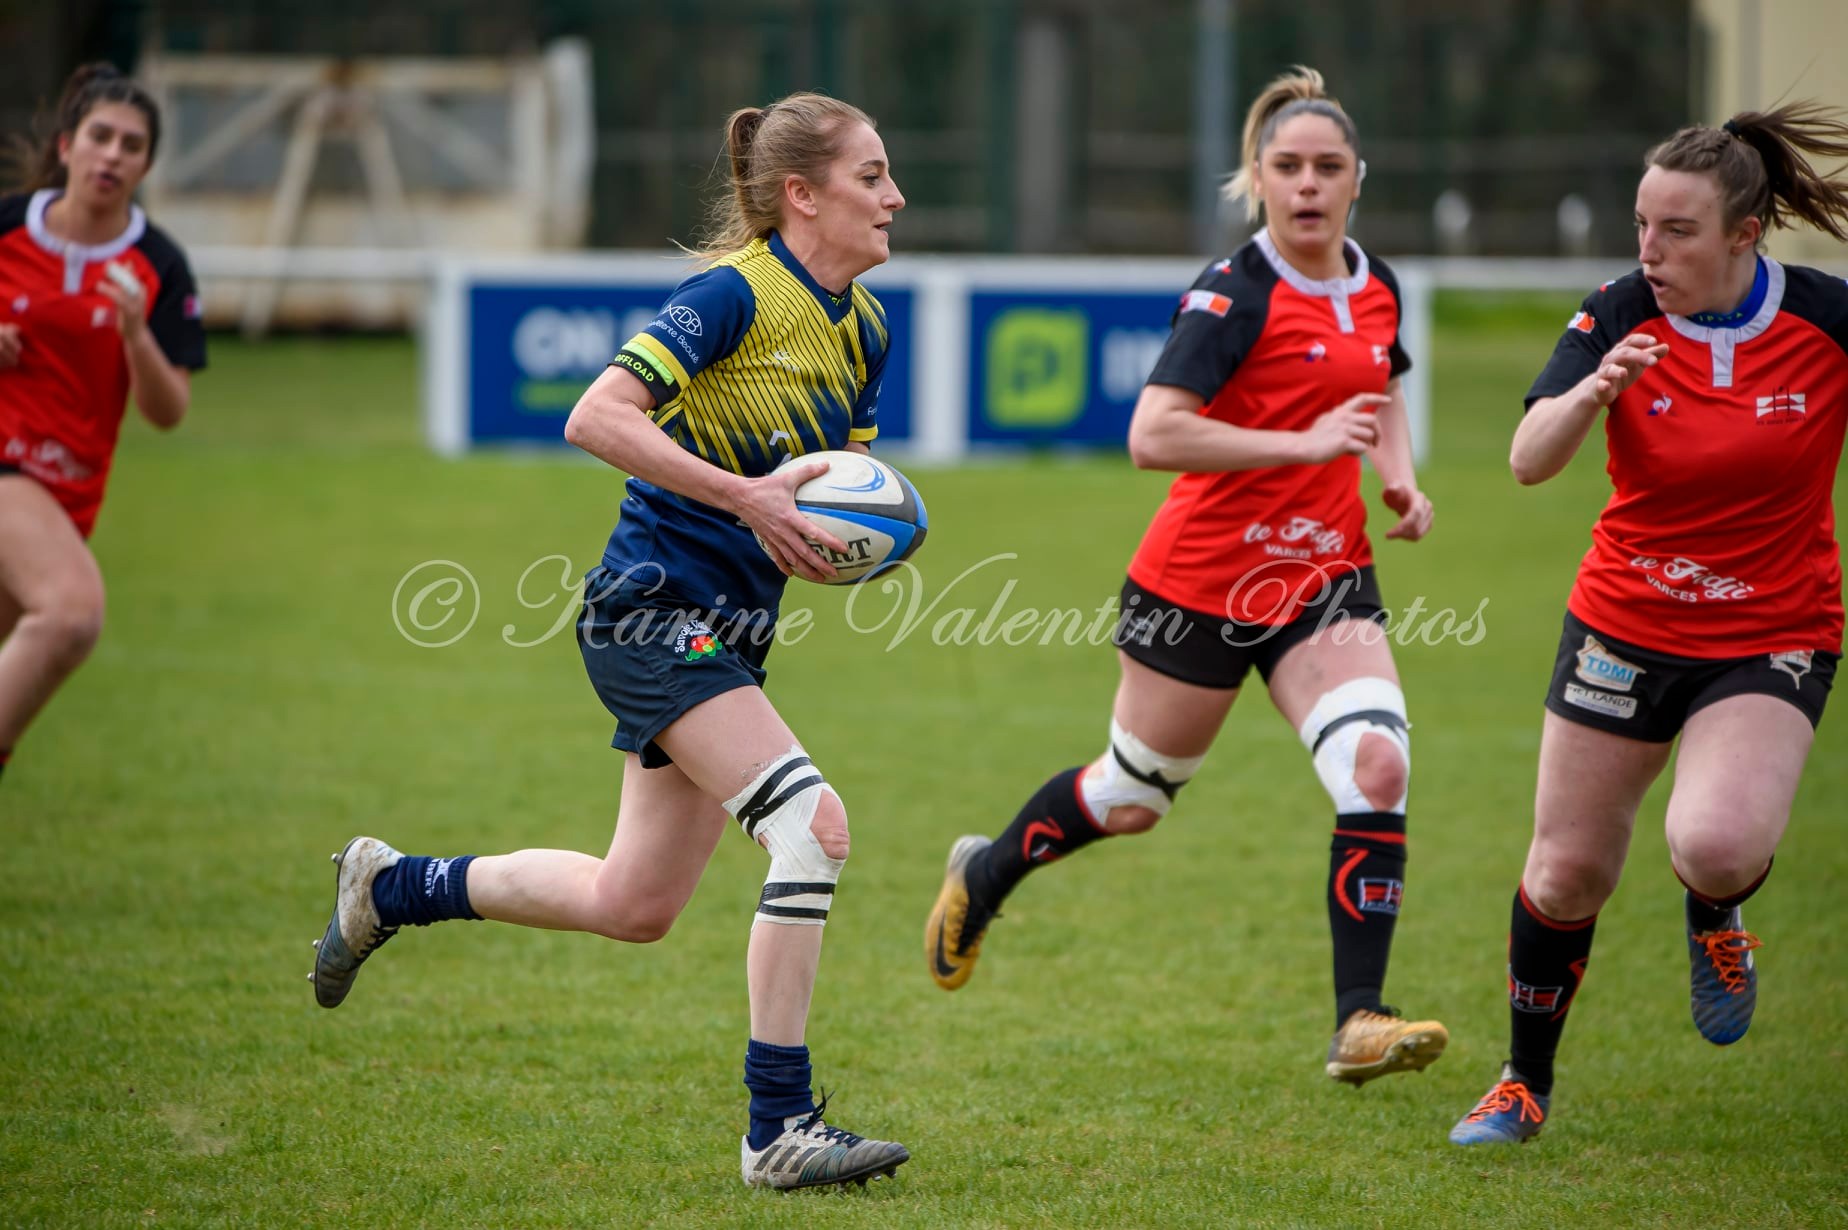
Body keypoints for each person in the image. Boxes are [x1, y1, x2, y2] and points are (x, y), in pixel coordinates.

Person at [310, 93, 913, 1190]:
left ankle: (391, 888)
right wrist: (749, 499)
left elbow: (819, 495)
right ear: (803, 195)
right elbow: (597, 417)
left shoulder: (867, 328)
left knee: (633, 903)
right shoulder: (732, 295)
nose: (894, 196)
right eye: (872, 176)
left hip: (728, 629)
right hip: (646, 612)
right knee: (813, 829)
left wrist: (822, 540)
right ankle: (776, 1127)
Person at [924, 67, 1448, 1088]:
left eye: (1327, 168)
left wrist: (1398, 482)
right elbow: (1152, 434)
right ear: (1258, 177)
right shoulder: (1233, 291)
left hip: (1324, 576)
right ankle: (983, 875)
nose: (1307, 186)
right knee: (1132, 800)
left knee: (1377, 766)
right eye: (1287, 167)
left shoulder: (1374, 282)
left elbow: (1380, 385)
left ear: (1357, 180)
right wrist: (1302, 447)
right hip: (1197, 586)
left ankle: (1359, 1022)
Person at [1448, 102, 1848, 1146]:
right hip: (1624, 625)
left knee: (1714, 845)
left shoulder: (1825, 321)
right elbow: (1528, 459)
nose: (1650, 250)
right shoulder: (1620, 311)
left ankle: (1715, 913)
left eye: (1676, 231)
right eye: (1640, 225)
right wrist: (1593, 389)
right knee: (1567, 871)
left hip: (1772, 630)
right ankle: (1521, 1083)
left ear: (1743, 235)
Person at [0, 63, 205, 784]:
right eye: (101, 136)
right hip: (6, 467)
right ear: (66, 145)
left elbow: (167, 411)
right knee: (70, 612)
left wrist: (133, 334)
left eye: (132, 145)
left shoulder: (156, 265)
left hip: (71, 497)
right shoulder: (5, 229)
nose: (113, 154)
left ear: (147, 164)